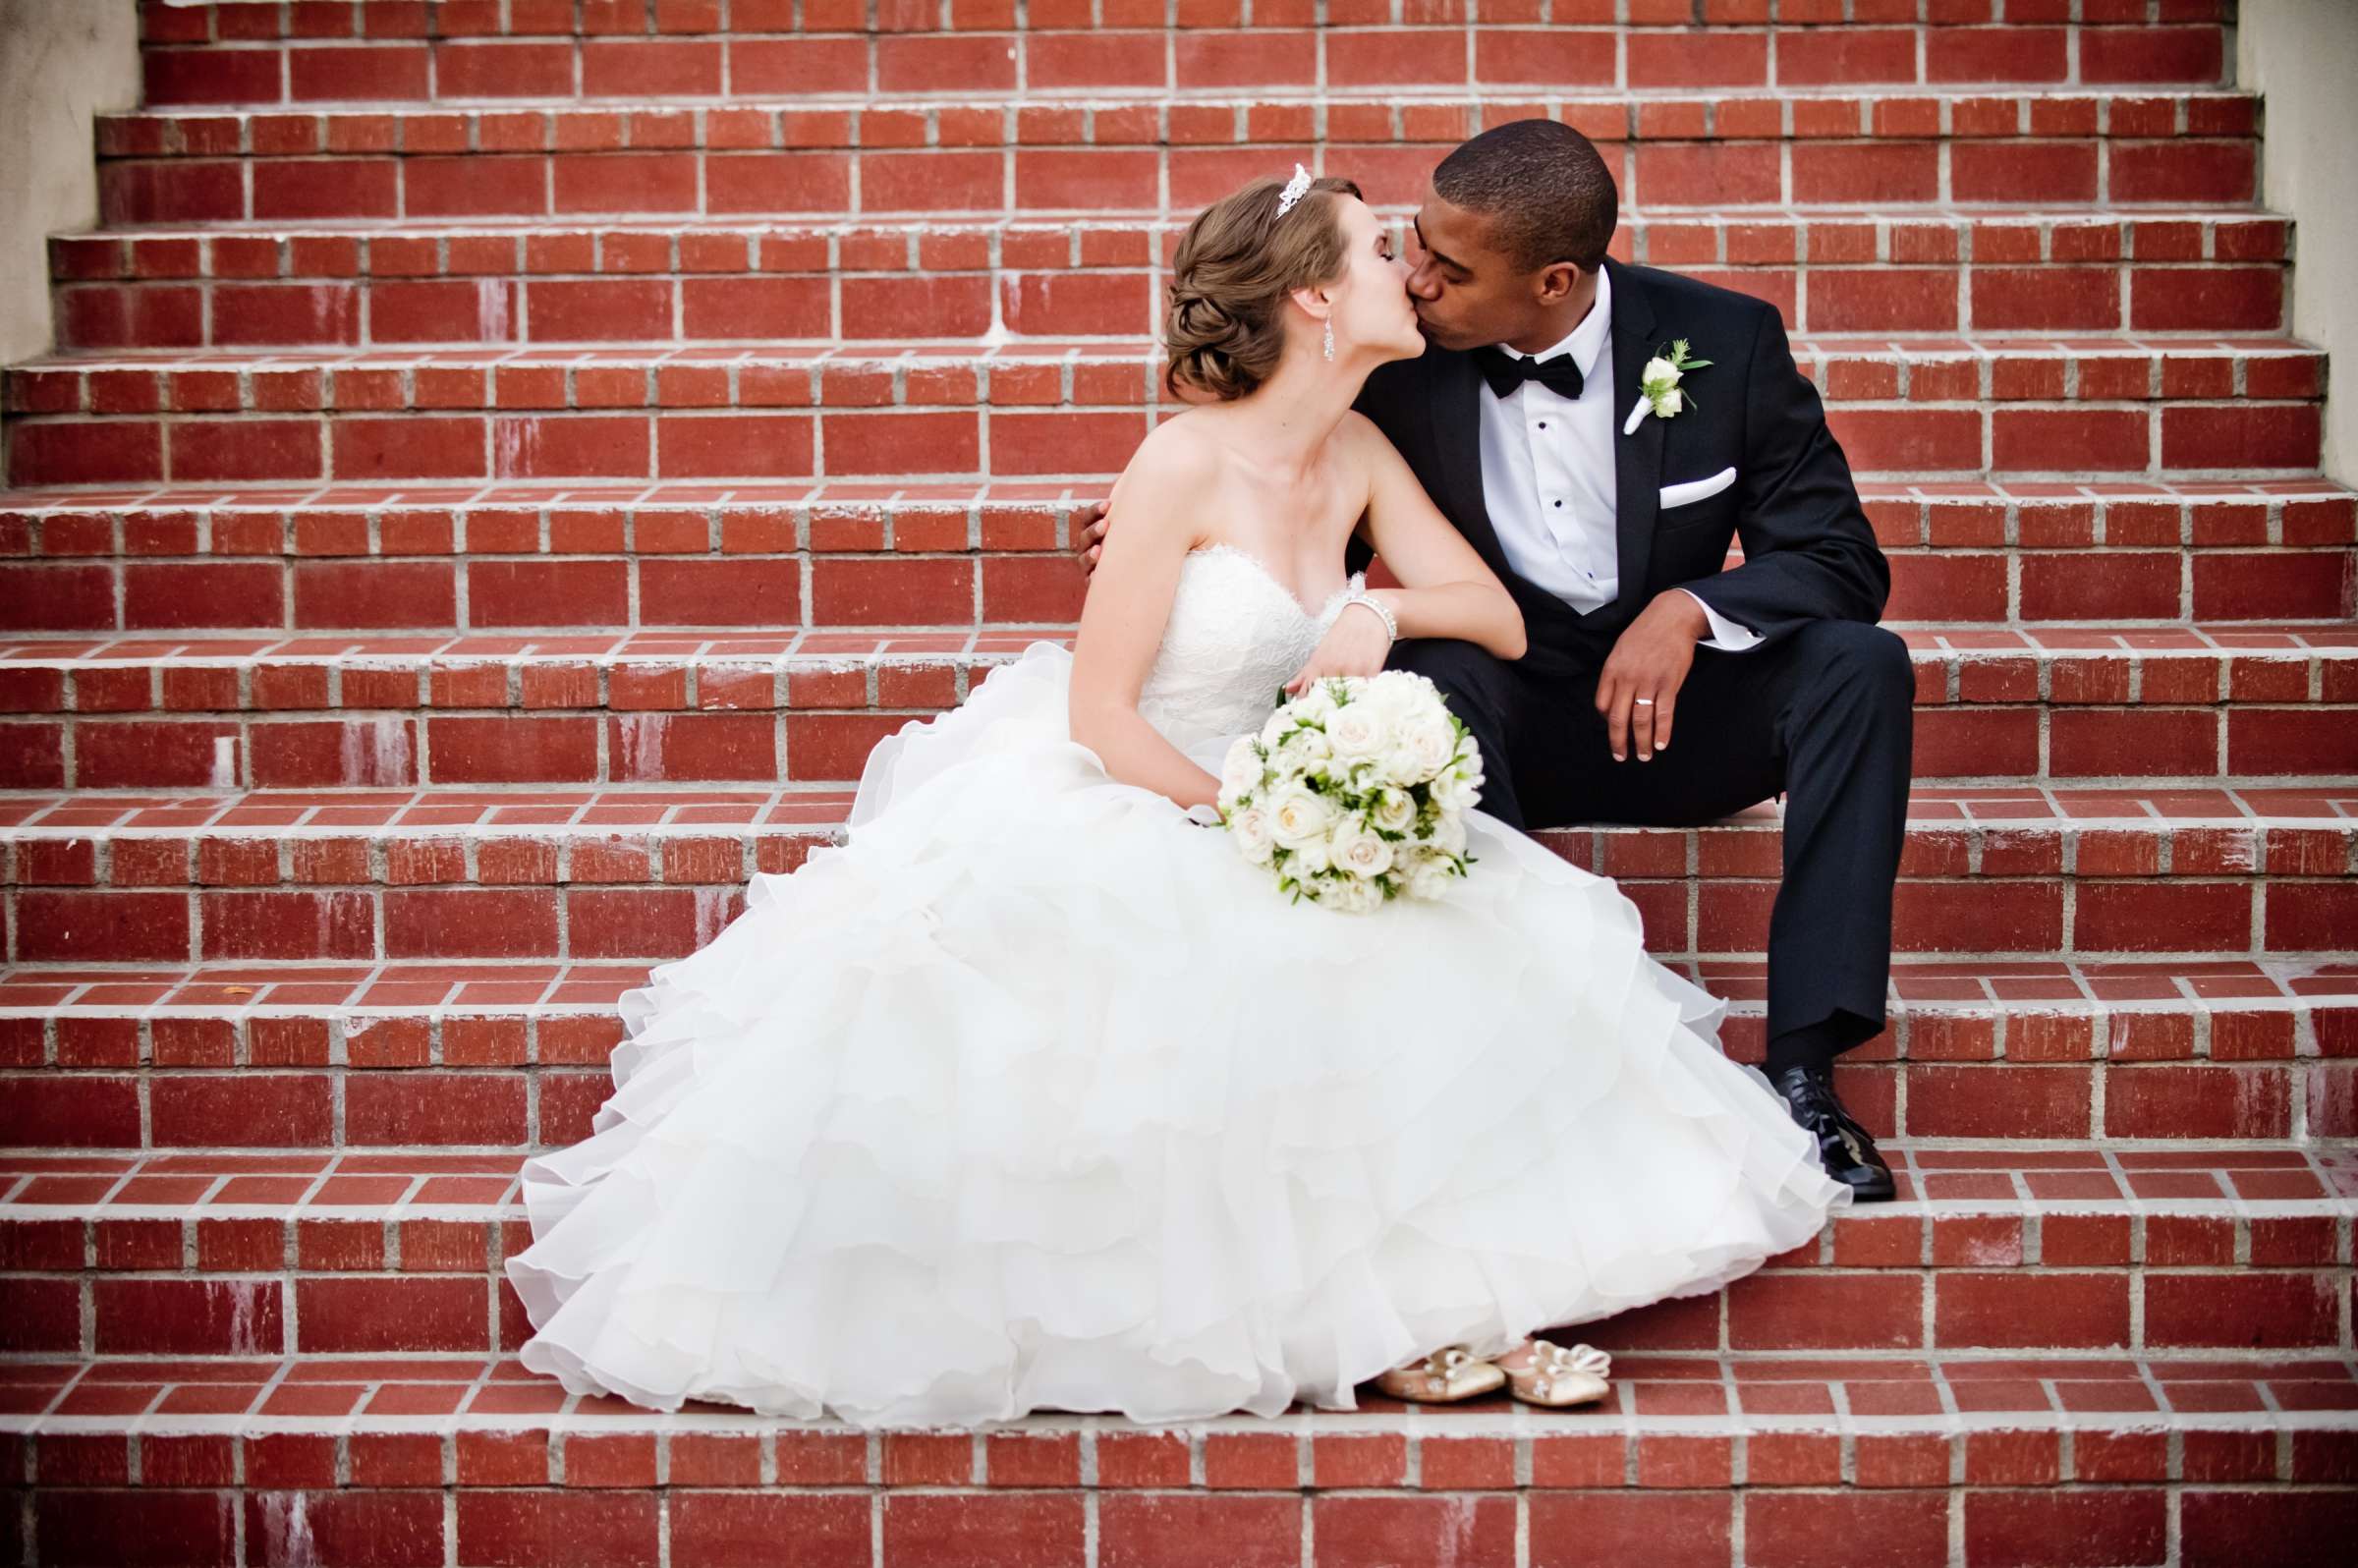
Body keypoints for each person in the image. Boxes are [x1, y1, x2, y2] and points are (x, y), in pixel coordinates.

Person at [506, 166, 1846, 1430]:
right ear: (1315, 299)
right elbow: (1100, 714)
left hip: (1274, 789)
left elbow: (1489, 614)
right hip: (1135, 788)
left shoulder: (1366, 455)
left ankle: (1441, 1305)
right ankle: (1386, 1328)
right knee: (1269, 976)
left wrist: (1378, 618)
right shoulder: (1178, 464)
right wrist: (1244, 817)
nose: (1413, 271)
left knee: (1441, 947)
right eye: (1382, 249)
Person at [1084, 122, 1912, 1202]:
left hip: (1670, 714)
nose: (1418, 279)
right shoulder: (1392, 371)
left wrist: (1693, 610)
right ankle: (1512, 1049)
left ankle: (1805, 1071)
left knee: (1862, 665)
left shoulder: (1726, 341)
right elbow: (1265, 453)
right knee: (1432, 673)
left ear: (1554, 280)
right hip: (1492, 717)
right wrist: (1159, 535)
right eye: (1408, 247)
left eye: (1448, 266)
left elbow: (1843, 558)